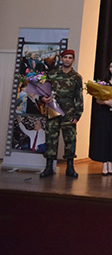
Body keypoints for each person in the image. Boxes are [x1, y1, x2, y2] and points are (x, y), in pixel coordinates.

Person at [40, 49, 84, 178]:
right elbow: (44, 91)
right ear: (61, 59)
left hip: (69, 112)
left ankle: (70, 167)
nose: (67, 60)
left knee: (70, 139)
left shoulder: (76, 77)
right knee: (51, 138)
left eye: (70, 58)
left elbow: (79, 97)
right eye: (65, 57)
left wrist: (77, 115)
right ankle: (49, 167)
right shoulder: (52, 74)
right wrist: (43, 98)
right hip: (53, 110)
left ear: (73, 60)